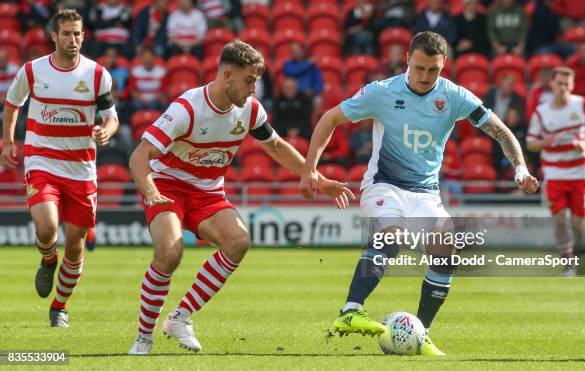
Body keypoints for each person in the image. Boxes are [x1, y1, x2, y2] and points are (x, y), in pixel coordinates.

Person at [299, 31, 539, 356]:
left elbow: (500, 130)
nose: (426, 77)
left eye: (434, 70)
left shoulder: (454, 96)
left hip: (426, 192)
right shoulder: (382, 92)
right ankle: (350, 311)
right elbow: (330, 118)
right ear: (407, 61)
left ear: (444, 67)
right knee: (391, 237)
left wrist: (520, 168)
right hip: (384, 184)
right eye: (420, 68)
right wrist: (310, 168)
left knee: (447, 246)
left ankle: (420, 334)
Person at [127, 40, 354, 355]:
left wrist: (315, 176)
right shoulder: (188, 107)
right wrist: (151, 191)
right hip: (168, 185)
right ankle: (143, 337)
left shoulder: (250, 109)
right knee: (170, 253)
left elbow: (274, 146)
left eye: (256, 82)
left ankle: (181, 317)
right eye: (249, 81)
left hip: (207, 191)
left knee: (238, 241)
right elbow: (140, 156)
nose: (253, 89)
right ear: (226, 75)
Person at [0, 9, 119, 327]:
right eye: (66, 33)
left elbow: (111, 115)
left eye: (77, 33)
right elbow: (12, 103)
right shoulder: (33, 71)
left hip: (81, 169)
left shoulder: (97, 75)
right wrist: (8, 141)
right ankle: (47, 259)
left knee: (76, 245)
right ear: (53, 36)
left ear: (84, 35)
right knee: (47, 226)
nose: (73, 39)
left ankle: (59, 307)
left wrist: (107, 129)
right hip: (42, 160)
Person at [527, 66, 585, 276]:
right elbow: (530, 143)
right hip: (555, 174)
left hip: (581, 172)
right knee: (559, 220)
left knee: (579, 225)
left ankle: (577, 254)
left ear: (572, 86)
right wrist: (546, 141)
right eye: (559, 83)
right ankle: (568, 264)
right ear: (552, 84)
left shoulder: (582, 105)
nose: (563, 88)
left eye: (567, 84)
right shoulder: (541, 112)